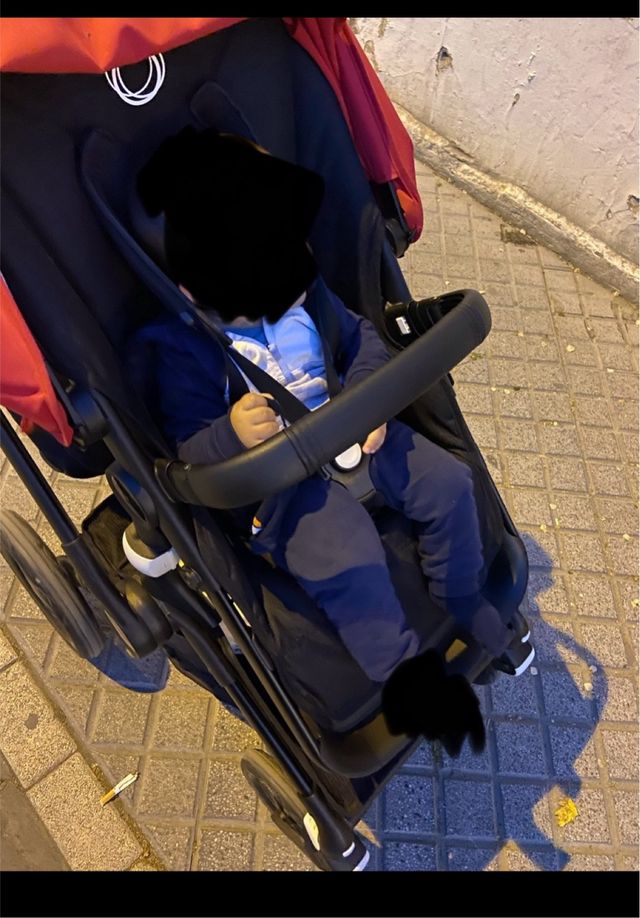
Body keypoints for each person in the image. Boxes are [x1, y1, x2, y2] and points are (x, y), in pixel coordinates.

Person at [131, 127, 534, 752]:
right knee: (348, 554)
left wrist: (370, 401)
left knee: (450, 483)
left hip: (358, 433)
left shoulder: (309, 298)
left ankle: (459, 591)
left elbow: (363, 343)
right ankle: (402, 671)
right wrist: (232, 435)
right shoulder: (184, 349)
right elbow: (189, 448)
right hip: (285, 489)